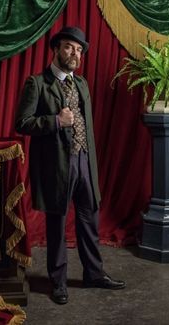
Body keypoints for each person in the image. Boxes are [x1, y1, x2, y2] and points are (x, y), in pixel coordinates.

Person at [15, 26, 125, 305]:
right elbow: (22, 123)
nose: (75, 53)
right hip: (57, 167)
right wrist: (54, 121)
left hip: (84, 162)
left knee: (90, 220)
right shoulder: (37, 83)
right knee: (57, 223)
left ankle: (94, 273)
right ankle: (58, 281)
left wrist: (89, 160)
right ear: (56, 49)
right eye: (69, 47)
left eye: (79, 50)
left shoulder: (82, 84)